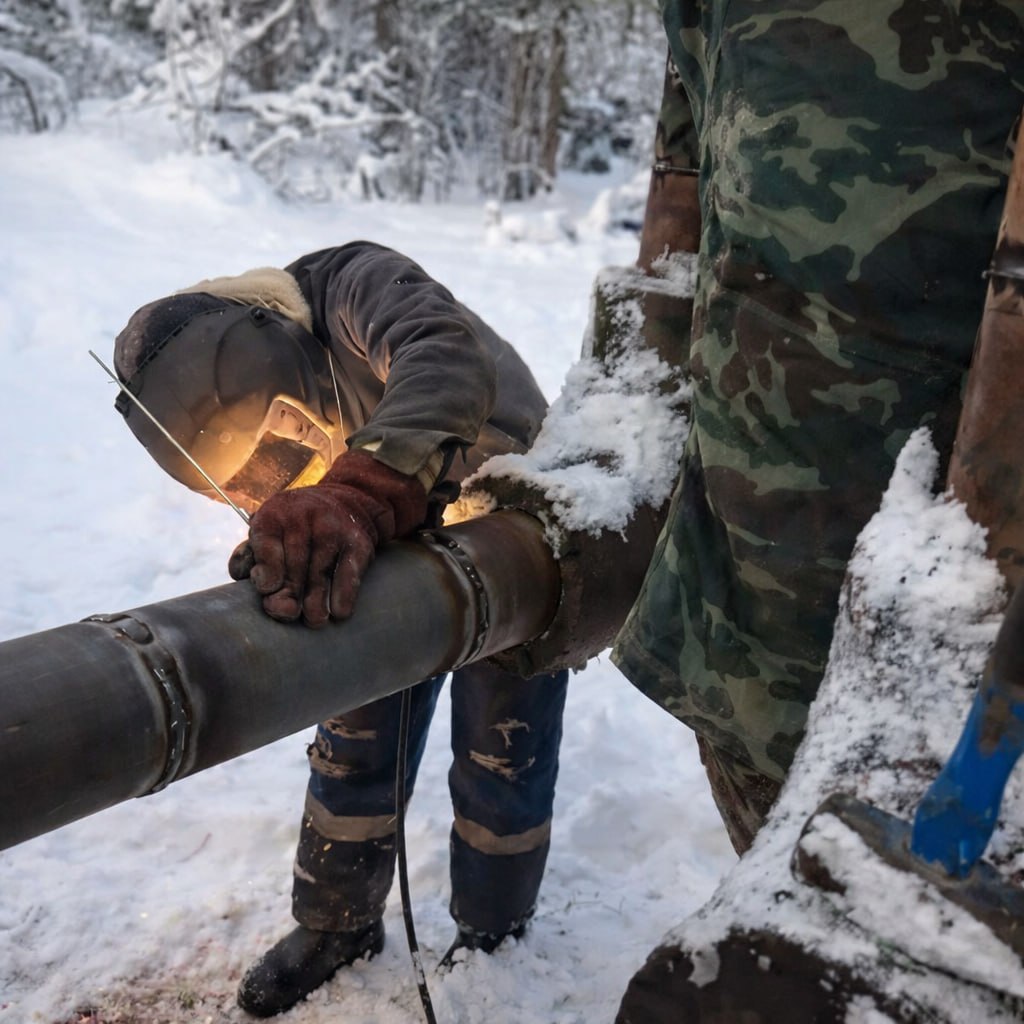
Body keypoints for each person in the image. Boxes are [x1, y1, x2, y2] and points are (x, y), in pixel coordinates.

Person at [605, 5, 1024, 1017]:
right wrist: (626, 424)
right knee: (780, 892)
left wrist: (974, 585)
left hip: (950, 618)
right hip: (737, 581)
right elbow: (685, 192)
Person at [111, 242, 570, 1019]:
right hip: (384, 539)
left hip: (512, 524)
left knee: (505, 751)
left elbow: (444, 357)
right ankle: (337, 924)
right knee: (355, 741)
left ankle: (494, 926)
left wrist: (355, 489)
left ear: (278, 339)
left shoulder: (354, 283)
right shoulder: (241, 412)